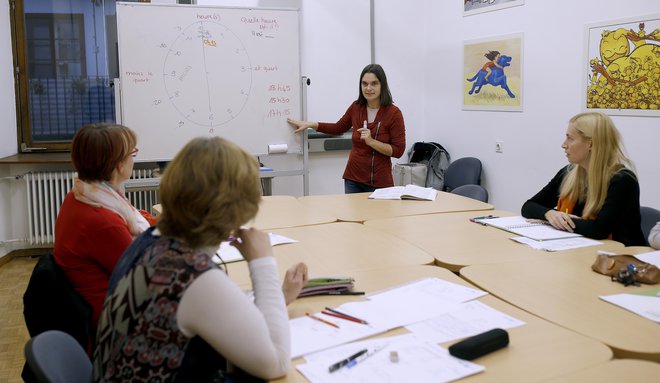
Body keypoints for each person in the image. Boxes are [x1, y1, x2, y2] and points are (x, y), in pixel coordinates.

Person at [93, 137, 306, 382]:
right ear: (235, 209)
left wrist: (276, 299)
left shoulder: (150, 240)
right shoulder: (190, 275)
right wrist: (263, 262)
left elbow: (214, 309)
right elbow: (276, 363)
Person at [53, 123, 152, 332]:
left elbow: (133, 218)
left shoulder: (84, 194)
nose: (134, 158)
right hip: (115, 321)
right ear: (119, 165)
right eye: (132, 153)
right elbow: (144, 276)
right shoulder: (103, 222)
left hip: (106, 301)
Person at [521, 112, 645, 246]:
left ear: (590, 144)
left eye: (570, 138)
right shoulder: (568, 173)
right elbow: (528, 206)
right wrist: (549, 214)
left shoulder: (622, 180)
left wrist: (557, 221)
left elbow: (598, 230)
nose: (564, 144)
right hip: (578, 249)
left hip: (618, 258)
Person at [288, 64, 406, 193]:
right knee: (353, 214)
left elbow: (398, 150)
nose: (368, 88)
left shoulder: (394, 113)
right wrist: (311, 124)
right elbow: (338, 128)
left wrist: (372, 142)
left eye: (374, 84)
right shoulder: (356, 107)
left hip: (380, 183)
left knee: (380, 214)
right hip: (353, 180)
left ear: (382, 85)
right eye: (364, 84)